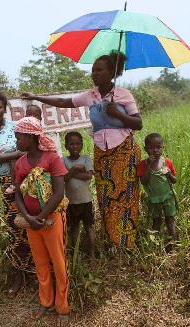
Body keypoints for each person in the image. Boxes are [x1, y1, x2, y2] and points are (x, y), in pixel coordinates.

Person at [22, 51, 143, 249]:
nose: (94, 74)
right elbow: (63, 103)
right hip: (102, 153)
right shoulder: (90, 96)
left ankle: (126, 243)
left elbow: (138, 124)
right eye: (93, 70)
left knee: (125, 197)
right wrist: (35, 97)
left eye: (99, 70)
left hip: (124, 151)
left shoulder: (123, 95)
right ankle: (113, 240)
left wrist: (118, 114)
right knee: (106, 197)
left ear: (111, 72)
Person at [13, 117, 70, 327]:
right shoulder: (20, 163)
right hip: (32, 223)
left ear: (30, 137)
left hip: (51, 220)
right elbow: (18, 194)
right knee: (41, 263)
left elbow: (58, 192)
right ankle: (45, 302)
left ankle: (62, 307)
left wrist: (42, 216)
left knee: (59, 263)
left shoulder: (52, 158)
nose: (16, 140)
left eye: (18, 136)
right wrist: (29, 218)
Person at [0, 90, 34, 297]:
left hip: (26, 179)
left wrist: (16, 156)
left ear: (5, 109)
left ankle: (37, 271)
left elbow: (29, 150)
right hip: (6, 182)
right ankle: (19, 273)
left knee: (34, 221)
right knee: (15, 224)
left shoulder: (16, 126)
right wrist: (17, 154)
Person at [136, 133, 178, 246]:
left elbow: (174, 180)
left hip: (168, 198)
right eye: (151, 147)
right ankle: (156, 244)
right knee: (156, 222)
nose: (155, 150)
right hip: (154, 200)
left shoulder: (167, 162)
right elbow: (143, 181)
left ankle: (173, 243)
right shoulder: (143, 164)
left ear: (163, 147)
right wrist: (149, 166)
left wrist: (169, 174)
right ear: (146, 149)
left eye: (158, 147)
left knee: (170, 221)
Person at [62, 132, 95, 258]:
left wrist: (71, 172)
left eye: (77, 144)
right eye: (71, 144)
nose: (74, 147)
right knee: (74, 229)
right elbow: (64, 178)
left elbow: (88, 176)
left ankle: (92, 254)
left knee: (89, 228)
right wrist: (74, 169)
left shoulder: (86, 158)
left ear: (81, 145)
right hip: (71, 202)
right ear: (66, 146)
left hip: (86, 201)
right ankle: (77, 255)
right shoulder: (63, 160)